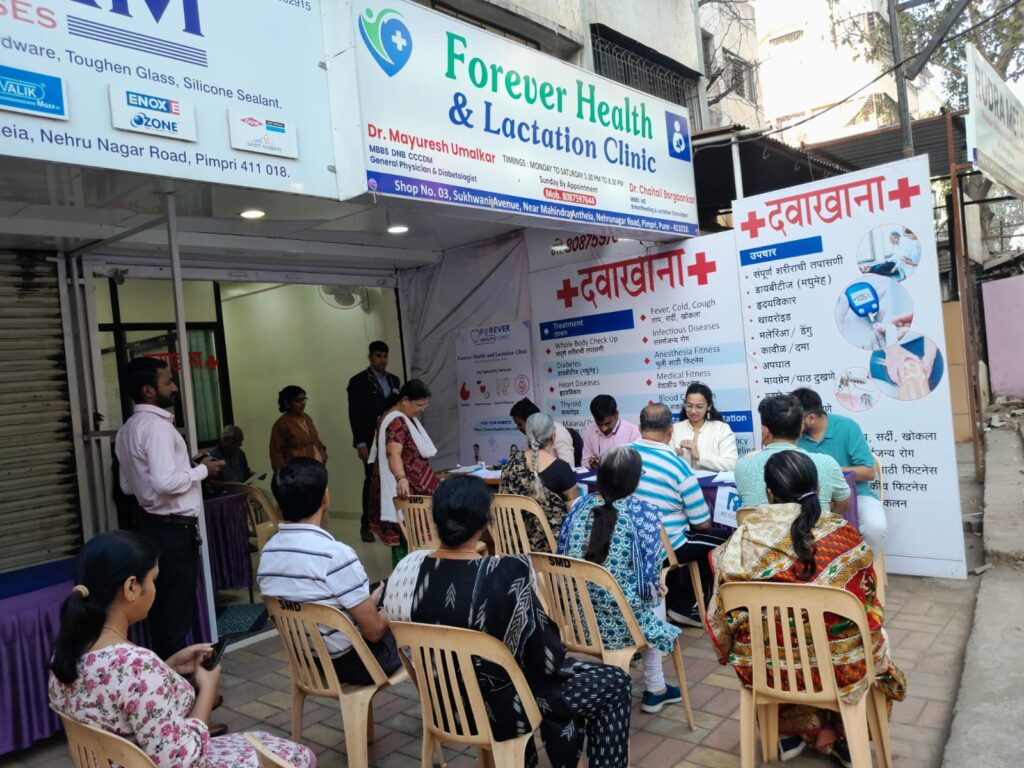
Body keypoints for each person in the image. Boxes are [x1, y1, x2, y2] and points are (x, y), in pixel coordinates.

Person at [385, 476, 632, 768]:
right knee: (615, 683)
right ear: (484, 522)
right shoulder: (506, 572)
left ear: (436, 520)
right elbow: (549, 658)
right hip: (502, 710)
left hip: (444, 705)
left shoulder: (408, 569)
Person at [48, 530, 314, 768]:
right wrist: (208, 689)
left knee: (264, 743)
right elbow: (183, 761)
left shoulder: (66, 652)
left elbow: (119, 696)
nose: (155, 589)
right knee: (296, 756)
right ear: (131, 588)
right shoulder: (137, 666)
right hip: (180, 758)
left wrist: (168, 667)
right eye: (153, 580)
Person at [706, 451, 906, 765]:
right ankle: (844, 736)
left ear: (769, 493)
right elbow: (868, 609)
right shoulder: (843, 536)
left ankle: (787, 734)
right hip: (843, 672)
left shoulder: (740, 543)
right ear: (815, 486)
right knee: (864, 639)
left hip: (765, 671)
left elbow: (721, 620)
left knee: (779, 639)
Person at [557, 446, 684, 714]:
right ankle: (655, 687)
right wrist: (655, 588)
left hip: (576, 623)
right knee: (655, 596)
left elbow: (562, 555)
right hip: (621, 627)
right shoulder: (645, 514)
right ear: (636, 481)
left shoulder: (579, 506)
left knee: (648, 594)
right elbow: (647, 584)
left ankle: (652, 687)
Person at [114, 357, 224, 659]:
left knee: (163, 614)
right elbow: (164, 482)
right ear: (149, 390)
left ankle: (169, 685)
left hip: (151, 528)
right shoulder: (157, 427)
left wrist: (187, 466)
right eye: (169, 381)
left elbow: (128, 486)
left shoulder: (127, 430)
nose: (175, 387)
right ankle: (179, 693)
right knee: (175, 617)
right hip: (174, 533)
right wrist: (202, 471)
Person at [257, 458, 400, 684]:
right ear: (325, 498)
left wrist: (368, 604)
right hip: (357, 664)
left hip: (310, 662)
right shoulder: (334, 555)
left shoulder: (268, 553)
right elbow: (373, 632)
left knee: (374, 599)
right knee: (414, 615)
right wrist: (396, 604)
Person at [630, 403, 726, 627]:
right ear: (671, 431)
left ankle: (679, 602)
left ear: (639, 428)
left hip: (628, 544)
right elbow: (701, 523)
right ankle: (690, 606)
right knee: (725, 541)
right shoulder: (677, 466)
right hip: (665, 547)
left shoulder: (618, 454)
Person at [791, 388, 886, 552]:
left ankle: (863, 571)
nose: (792, 423)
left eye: (796, 419)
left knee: (875, 527)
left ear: (811, 418)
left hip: (857, 494)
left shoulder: (847, 427)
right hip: (810, 499)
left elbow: (869, 472)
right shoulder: (794, 435)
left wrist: (831, 470)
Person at [734, 395, 851, 515]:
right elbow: (843, 505)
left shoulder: (743, 465)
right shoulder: (827, 463)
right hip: (815, 532)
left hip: (759, 533)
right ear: (801, 429)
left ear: (764, 431)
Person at [368, 379, 439, 565]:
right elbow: (393, 453)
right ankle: (407, 582)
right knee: (410, 541)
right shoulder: (396, 421)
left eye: (425, 405)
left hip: (411, 490)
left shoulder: (395, 415)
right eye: (419, 405)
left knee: (409, 541)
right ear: (405, 400)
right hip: (406, 492)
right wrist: (401, 479)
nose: (422, 409)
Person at [498, 412, 579, 551]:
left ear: (527, 435)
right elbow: (575, 512)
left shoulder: (509, 466)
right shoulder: (561, 469)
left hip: (514, 550)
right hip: (552, 554)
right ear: (553, 435)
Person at [347, 340, 401, 542]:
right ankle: (366, 525)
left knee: (395, 478)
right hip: (370, 441)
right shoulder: (359, 381)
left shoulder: (395, 381)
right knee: (371, 481)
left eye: (385, 355)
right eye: (378, 355)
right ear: (370, 357)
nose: (382, 359)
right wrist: (360, 443)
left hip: (393, 438)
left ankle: (393, 521)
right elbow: (355, 414)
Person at [669, 383, 738, 471]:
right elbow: (665, 463)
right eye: (689, 406)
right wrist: (673, 456)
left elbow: (732, 464)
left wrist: (699, 456)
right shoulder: (674, 429)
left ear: (709, 406)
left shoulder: (722, 429)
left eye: (699, 407)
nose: (693, 411)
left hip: (713, 484)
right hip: (681, 483)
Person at [269, 385, 327, 470]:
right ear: (287, 403)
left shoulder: (307, 418)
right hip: (297, 472)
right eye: (298, 400)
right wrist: (283, 475)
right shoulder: (281, 424)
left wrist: (323, 453)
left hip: (317, 469)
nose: (303, 403)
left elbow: (316, 440)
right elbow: (276, 453)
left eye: (304, 399)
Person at [510, 397, 577, 466]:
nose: (518, 428)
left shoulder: (559, 433)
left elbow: (569, 466)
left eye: (520, 424)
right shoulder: (532, 434)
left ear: (530, 420)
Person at [581, 395, 640, 469]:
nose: (603, 429)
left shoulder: (633, 431)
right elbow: (584, 462)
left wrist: (607, 466)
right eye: (599, 424)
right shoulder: (590, 429)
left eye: (607, 423)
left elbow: (637, 466)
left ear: (616, 414)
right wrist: (591, 464)